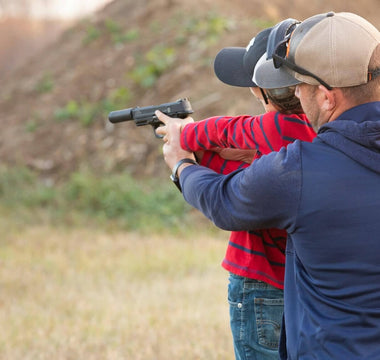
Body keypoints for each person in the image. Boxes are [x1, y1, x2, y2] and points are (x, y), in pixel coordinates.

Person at [156, 12, 380, 359]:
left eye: (299, 86)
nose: (295, 97)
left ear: (325, 96)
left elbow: (222, 200)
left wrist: (181, 165)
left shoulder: (298, 170)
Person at [173, 19, 315, 360]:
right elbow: (252, 176)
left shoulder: (270, 126)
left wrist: (183, 139)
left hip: (257, 282)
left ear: (263, 89)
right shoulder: (316, 130)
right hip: (302, 289)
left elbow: (228, 131)